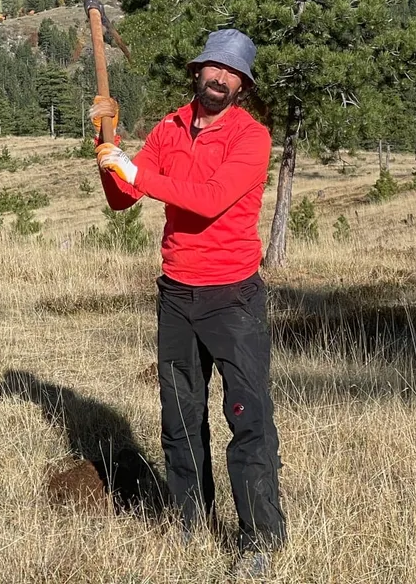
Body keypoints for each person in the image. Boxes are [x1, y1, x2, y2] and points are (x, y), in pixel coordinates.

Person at [91, 29, 286, 580]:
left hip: (233, 297)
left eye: (233, 74)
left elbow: (206, 201)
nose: (220, 79)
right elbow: (121, 199)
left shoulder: (252, 138)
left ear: (242, 85)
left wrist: (135, 170)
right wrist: (106, 147)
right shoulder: (169, 128)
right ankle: (190, 522)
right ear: (197, 70)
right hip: (176, 293)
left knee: (247, 417)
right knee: (179, 417)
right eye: (213, 68)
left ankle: (259, 538)